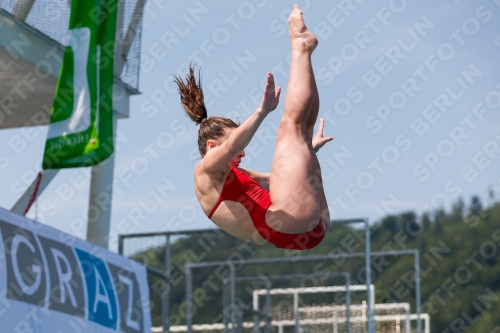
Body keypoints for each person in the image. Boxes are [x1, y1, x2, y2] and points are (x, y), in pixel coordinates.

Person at [175, 6, 333, 250]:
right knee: (290, 127)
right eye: (234, 144)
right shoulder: (204, 171)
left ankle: (304, 51)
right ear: (212, 145)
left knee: (301, 132)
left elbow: (281, 180)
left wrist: (310, 151)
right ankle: (301, 47)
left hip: (306, 228)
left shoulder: (238, 175)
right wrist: (261, 112)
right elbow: (233, 145)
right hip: (289, 223)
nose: (242, 153)